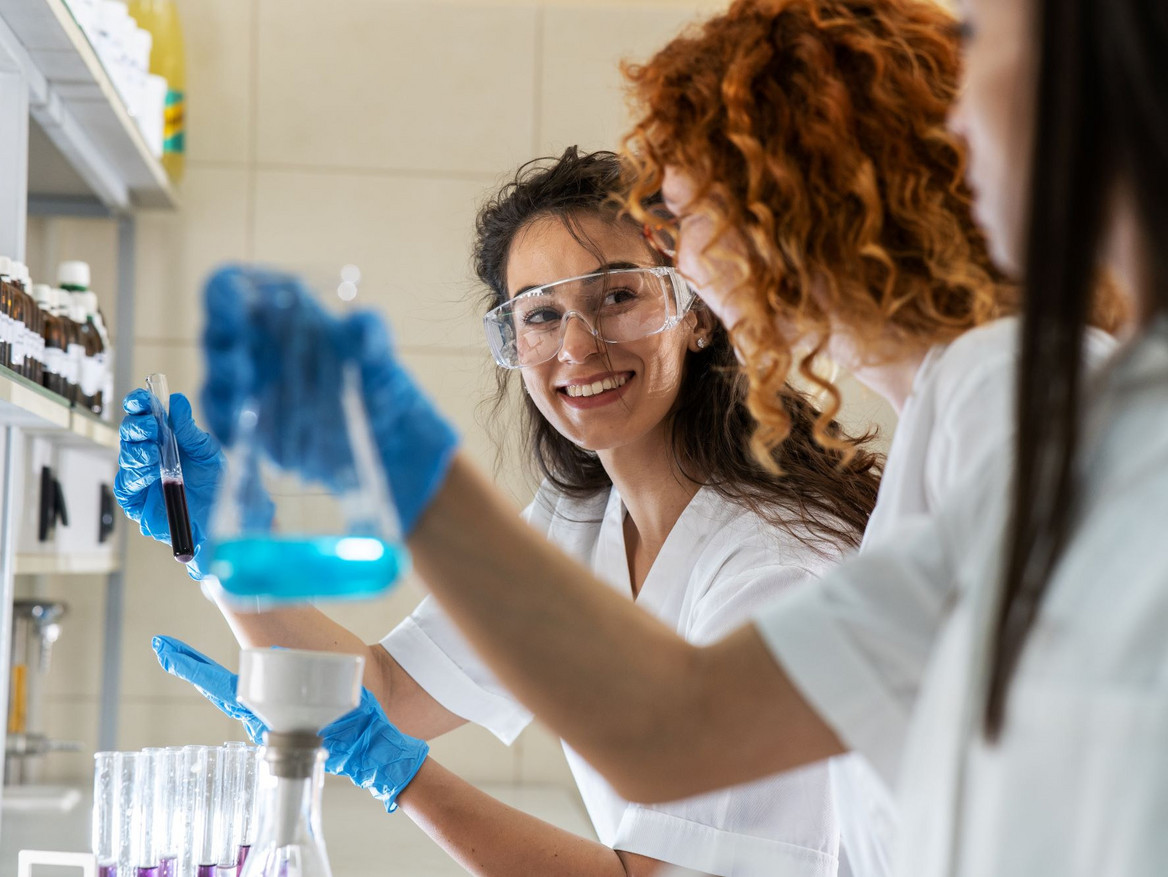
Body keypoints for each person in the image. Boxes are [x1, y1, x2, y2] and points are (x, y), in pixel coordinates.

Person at [189, 0, 1168, 872]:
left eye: (682, 218)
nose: (682, 261)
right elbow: (674, 725)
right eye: (537, 313)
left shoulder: (1001, 390)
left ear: (797, 195)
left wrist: (405, 462)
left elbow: (675, 730)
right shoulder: (958, 414)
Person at [120, 148, 884, 876]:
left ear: (696, 312)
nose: (577, 347)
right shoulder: (580, 518)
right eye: (541, 315)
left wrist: (396, 772)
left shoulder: (775, 570)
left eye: (618, 295)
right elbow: (388, 692)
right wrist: (217, 547)